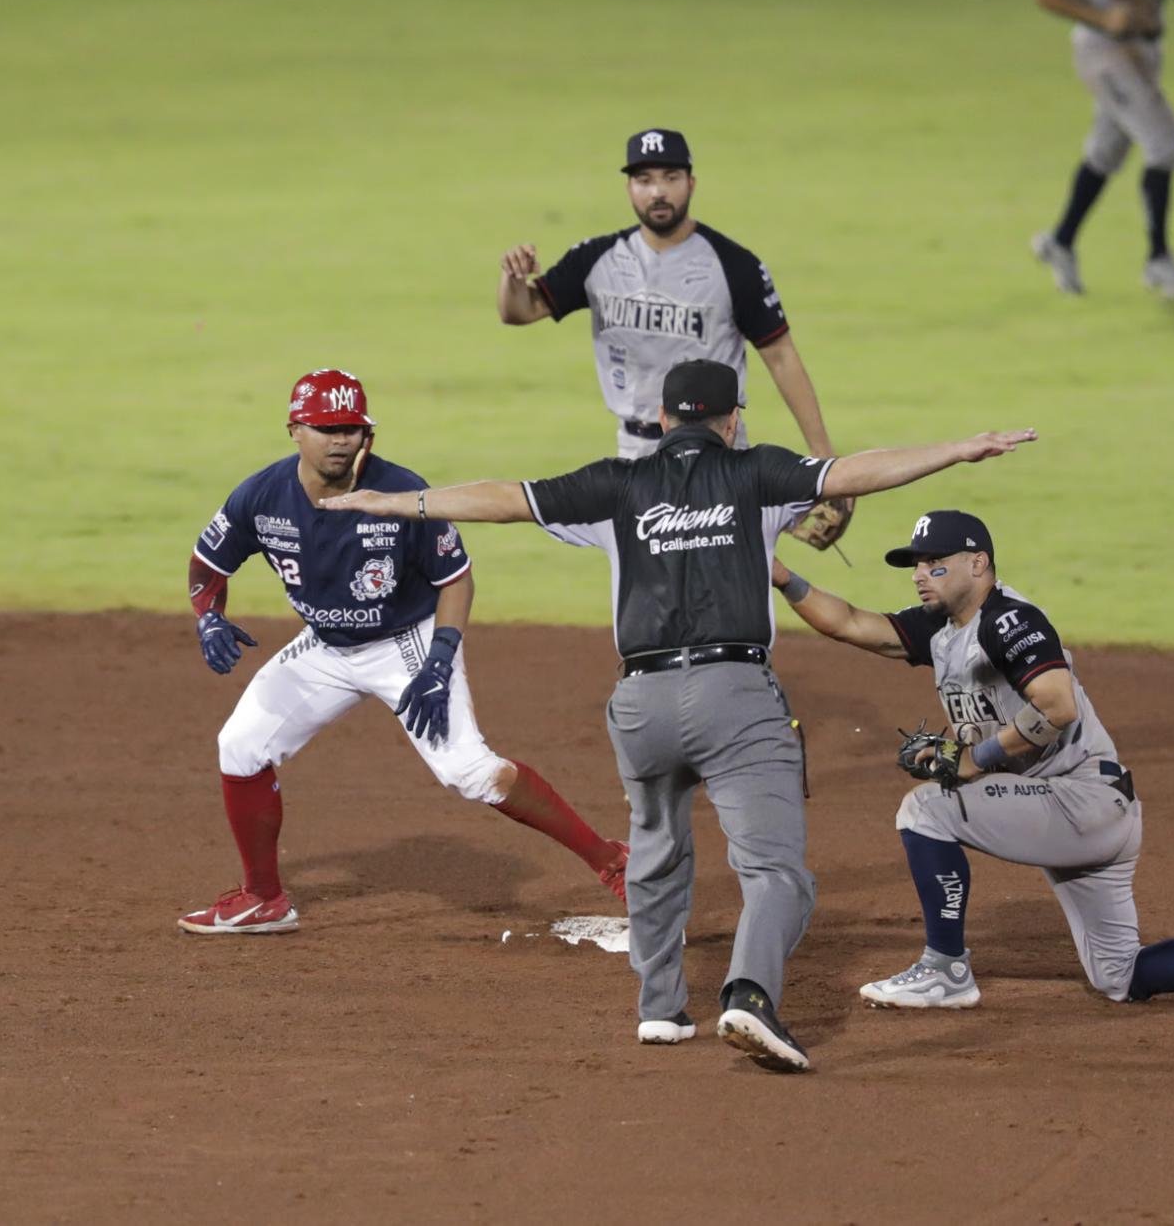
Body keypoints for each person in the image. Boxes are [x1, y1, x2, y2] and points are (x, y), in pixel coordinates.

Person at [319, 360, 1037, 1072]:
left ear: (662, 420)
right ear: (731, 421)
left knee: (658, 852)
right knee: (774, 869)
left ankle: (659, 1008)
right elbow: (852, 473)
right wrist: (958, 448)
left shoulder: (617, 484)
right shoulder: (757, 472)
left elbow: (506, 497)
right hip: (735, 697)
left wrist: (389, 503)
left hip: (641, 705)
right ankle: (749, 995)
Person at [770, 510, 1174, 1010]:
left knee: (925, 809)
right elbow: (845, 622)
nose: (920, 574)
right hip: (1080, 810)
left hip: (1081, 800)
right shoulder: (942, 627)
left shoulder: (1009, 621)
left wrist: (975, 759)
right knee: (1119, 976)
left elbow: (1055, 705)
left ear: (978, 564)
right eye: (916, 564)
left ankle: (945, 970)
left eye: (935, 563)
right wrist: (778, 574)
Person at [176, 368, 629, 935]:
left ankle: (611, 859)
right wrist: (208, 617)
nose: (341, 439)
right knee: (239, 746)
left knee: (471, 772)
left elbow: (456, 579)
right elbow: (207, 564)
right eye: (327, 427)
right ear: (295, 429)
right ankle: (264, 898)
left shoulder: (399, 492)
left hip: (407, 641)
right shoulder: (261, 497)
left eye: (352, 427)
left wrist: (440, 659)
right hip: (326, 645)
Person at [495, 128, 854, 551]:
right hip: (636, 452)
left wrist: (826, 464)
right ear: (629, 188)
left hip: (719, 451)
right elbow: (519, 311)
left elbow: (780, 356)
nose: (658, 191)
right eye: (644, 180)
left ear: (691, 183)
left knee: (729, 580)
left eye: (670, 177)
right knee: (646, 588)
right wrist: (512, 279)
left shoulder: (733, 265)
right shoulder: (597, 259)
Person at [1028, 0, 1174, 301]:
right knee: (1164, 145)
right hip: (1101, 51)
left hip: (1143, 51)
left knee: (1105, 153)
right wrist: (1102, 17)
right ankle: (1158, 261)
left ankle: (1061, 241)